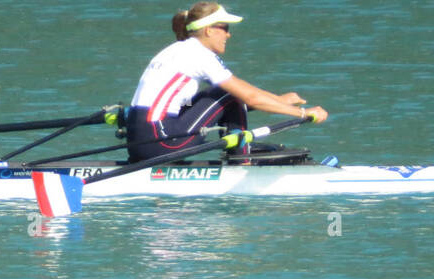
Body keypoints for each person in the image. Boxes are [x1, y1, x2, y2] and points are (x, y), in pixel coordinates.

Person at [126, 3, 328, 162]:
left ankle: (239, 149)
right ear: (208, 30)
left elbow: (232, 99)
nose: (228, 34)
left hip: (139, 141)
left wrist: (278, 100)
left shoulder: (175, 50)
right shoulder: (199, 55)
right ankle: (242, 156)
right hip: (163, 141)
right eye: (225, 28)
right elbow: (248, 97)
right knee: (225, 94)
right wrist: (303, 113)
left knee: (213, 95)